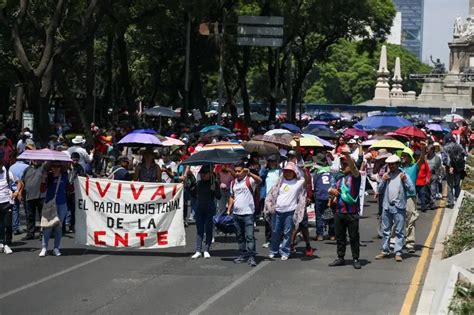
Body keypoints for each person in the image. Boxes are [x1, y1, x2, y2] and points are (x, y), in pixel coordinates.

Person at [375, 155, 416, 262]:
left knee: (399, 231)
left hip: (399, 206)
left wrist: (405, 180)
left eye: (393, 164)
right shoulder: (386, 175)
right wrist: (383, 181)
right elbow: (379, 190)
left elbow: (411, 190)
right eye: (389, 165)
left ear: (398, 164)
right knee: (386, 230)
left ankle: (398, 252)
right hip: (387, 206)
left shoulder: (403, 175)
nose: (391, 166)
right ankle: (385, 250)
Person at [328, 150, 362, 269]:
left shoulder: (355, 178)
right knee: (340, 237)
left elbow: (353, 167)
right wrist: (331, 191)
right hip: (339, 212)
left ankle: (356, 258)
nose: (343, 166)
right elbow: (331, 191)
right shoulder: (339, 178)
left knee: (353, 237)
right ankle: (340, 257)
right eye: (342, 164)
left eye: (345, 164)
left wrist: (347, 156)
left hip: (351, 212)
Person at [264, 162, 306, 260]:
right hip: (277, 211)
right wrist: (270, 206)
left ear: (294, 172)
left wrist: (304, 170)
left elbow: (306, 180)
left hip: (290, 212)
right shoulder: (280, 182)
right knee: (275, 231)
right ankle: (273, 250)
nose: (288, 173)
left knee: (287, 233)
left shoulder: (298, 182)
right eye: (286, 171)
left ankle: (285, 252)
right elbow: (272, 194)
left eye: (290, 171)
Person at [227, 161, 262, 267]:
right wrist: (229, 209)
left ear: (244, 170)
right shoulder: (233, 183)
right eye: (236, 171)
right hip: (237, 214)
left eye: (239, 171)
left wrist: (249, 173)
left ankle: (251, 256)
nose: (237, 173)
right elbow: (232, 196)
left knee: (250, 236)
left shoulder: (249, 180)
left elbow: (259, 180)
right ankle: (243, 254)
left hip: (248, 213)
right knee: (240, 236)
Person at [39, 162, 69, 257]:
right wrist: (43, 179)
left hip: (61, 204)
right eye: (54, 166)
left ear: (61, 168)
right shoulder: (48, 177)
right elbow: (42, 190)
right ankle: (44, 247)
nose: (56, 168)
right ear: (51, 167)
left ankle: (56, 247)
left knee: (58, 227)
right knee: (47, 226)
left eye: (58, 166)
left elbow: (70, 188)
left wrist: (73, 179)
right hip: (49, 204)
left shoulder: (65, 177)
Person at [399, 144, 425, 253]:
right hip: (399, 197)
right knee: (397, 220)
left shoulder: (414, 167)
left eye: (405, 155)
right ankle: (394, 242)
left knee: (410, 221)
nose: (402, 157)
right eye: (402, 156)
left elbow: (421, 160)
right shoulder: (398, 168)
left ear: (410, 157)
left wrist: (423, 150)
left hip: (410, 197)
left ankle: (410, 243)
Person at [191, 166, 221, 259]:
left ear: (210, 174)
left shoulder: (214, 183)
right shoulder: (198, 183)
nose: (203, 175)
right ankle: (198, 250)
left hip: (209, 207)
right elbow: (193, 194)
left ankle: (206, 249)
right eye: (201, 173)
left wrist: (214, 190)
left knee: (208, 228)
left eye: (205, 173)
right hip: (199, 207)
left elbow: (219, 196)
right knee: (199, 230)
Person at [0, 150, 23, 254]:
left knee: (7, 224)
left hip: (7, 202)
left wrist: (17, 192)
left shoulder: (8, 172)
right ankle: (2, 243)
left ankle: (7, 243)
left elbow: (19, 183)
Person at [259, 154, 281, 248]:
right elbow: (260, 175)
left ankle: (279, 239)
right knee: (267, 220)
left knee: (278, 220)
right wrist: (264, 166)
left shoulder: (280, 172)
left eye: (274, 161)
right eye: (270, 161)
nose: (272, 163)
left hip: (278, 198)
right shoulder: (266, 171)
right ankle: (268, 240)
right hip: (267, 198)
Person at [21, 160, 45, 240]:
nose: (35, 161)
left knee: (42, 216)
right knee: (29, 216)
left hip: (41, 196)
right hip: (29, 196)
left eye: (37, 159)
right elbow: (22, 181)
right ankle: (30, 233)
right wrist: (20, 193)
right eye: (34, 159)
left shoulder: (43, 168)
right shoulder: (27, 169)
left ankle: (43, 233)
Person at [312, 153, 334, 241]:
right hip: (330, 194)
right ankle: (332, 234)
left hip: (320, 194)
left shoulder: (316, 172)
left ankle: (320, 234)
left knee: (319, 215)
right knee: (331, 214)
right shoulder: (331, 171)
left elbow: (314, 183)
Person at [443, 135, 466, 208]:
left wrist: (450, 167)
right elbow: (465, 153)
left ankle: (451, 202)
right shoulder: (459, 146)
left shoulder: (445, 148)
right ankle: (457, 199)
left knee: (450, 185)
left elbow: (445, 159)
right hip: (458, 169)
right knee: (457, 184)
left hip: (450, 169)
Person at [66, 152, 86, 233]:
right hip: (65, 191)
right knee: (65, 209)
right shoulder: (66, 166)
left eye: (77, 160)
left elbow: (83, 177)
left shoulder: (80, 168)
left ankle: (72, 226)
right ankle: (63, 227)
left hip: (74, 191)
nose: (75, 162)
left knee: (73, 210)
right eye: (74, 160)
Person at [9, 155, 28, 235]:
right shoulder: (27, 167)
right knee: (27, 208)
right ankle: (28, 226)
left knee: (15, 209)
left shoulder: (11, 167)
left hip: (13, 190)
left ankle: (15, 228)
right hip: (24, 189)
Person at [426, 145, 442, 210]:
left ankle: (432, 203)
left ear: (432, 150)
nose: (427, 151)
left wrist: (439, 176)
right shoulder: (425, 157)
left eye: (428, 150)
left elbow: (439, 168)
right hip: (426, 176)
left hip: (433, 175)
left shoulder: (437, 158)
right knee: (426, 190)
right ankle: (427, 202)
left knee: (433, 190)